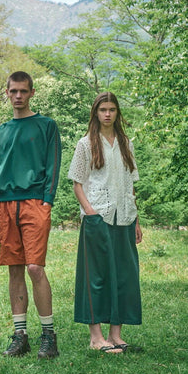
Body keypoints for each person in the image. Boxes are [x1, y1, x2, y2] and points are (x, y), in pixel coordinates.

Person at [0, 71, 62, 359]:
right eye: (13, 91)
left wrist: (47, 202)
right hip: (5, 205)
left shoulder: (46, 125)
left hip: (34, 203)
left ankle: (49, 336)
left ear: (32, 92)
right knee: (15, 268)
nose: (18, 96)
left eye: (23, 91)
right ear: (7, 93)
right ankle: (20, 336)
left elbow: (53, 165)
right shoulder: (1, 131)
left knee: (35, 268)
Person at [68, 91, 143, 354]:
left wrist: (136, 219)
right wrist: (90, 213)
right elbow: (77, 184)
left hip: (125, 216)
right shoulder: (85, 144)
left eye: (112, 109)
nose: (107, 114)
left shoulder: (126, 143)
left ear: (117, 112)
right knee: (96, 277)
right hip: (97, 217)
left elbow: (130, 184)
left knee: (123, 276)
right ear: (96, 113)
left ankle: (115, 334)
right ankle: (96, 337)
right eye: (103, 110)